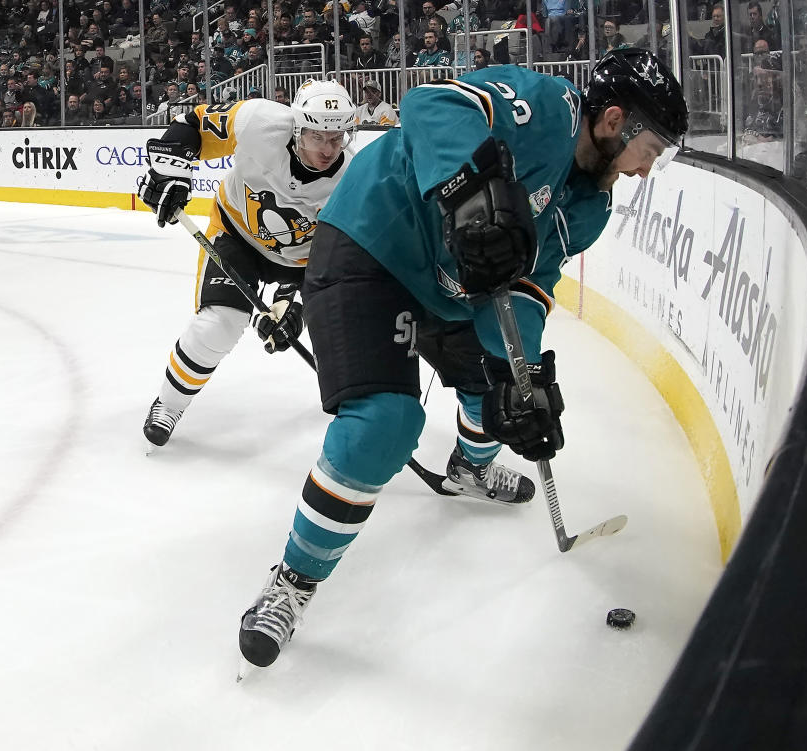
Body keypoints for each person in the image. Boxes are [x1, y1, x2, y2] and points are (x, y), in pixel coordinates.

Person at [235, 48, 689, 671]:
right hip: (372, 243)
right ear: (615, 120)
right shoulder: (547, 108)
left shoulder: (591, 205)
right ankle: (292, 582)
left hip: (452, 292)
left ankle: (469, 471)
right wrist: (472, 187)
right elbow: (431, 104)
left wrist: (520, 374)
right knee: (385, 424)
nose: (644, 171)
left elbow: (531, 283)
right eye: (652, 150)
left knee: (494, 396)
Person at [136, 80, 358, 448]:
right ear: (297, 128)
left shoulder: (354, 177)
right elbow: (191, 125)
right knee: (220, 324)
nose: (328, 149)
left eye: (337, 137)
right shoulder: (259, 121)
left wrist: (293, 301)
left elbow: (338, 255)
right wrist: (169, 171)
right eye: (318, 136)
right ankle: (169, 404)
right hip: (235, 232)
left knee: (341, 331)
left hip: (302, 261)